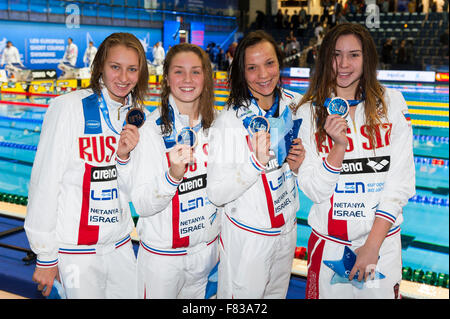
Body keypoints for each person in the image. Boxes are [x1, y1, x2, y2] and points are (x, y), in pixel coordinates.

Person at [294, 22, 415, 299]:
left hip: (381, 248)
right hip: (329, 248)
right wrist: (337, 147)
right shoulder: (308, 112)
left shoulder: (392, 103)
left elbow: (400, 182)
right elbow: (314, 190)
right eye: (336, 55)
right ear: (326, 58)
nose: (344, 64)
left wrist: (372, 246)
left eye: (354, 55)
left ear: (367, 58)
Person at [24, 32, 149, 298]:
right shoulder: (67, 108)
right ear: (100, 66)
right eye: (115, 67)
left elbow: (133, 189)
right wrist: (45, 255)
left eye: (132, 69)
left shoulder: (138, 117)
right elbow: (44, 182)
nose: (124, 78)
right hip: (75, 252)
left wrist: (126, 158)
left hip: (121, 245)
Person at [206, 30, 305, 298]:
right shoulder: (229, 121)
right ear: (241, 72)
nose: (263, 75)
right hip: (249, 238)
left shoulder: (293, 105)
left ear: (280, 63)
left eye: (269, 63)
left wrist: (300, 164)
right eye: (252, 67)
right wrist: (253, 163)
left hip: (287, 231)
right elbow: (216, 193)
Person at [116, 43, 219, 299]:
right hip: (164, 260)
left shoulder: (217, 124)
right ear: (166, 79)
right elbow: (142, 204)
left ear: (206, 77)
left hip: (207, 254)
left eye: (195, 71)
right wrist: (172, 177)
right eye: (178, 72)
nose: (187, 80)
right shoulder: (151, 130)